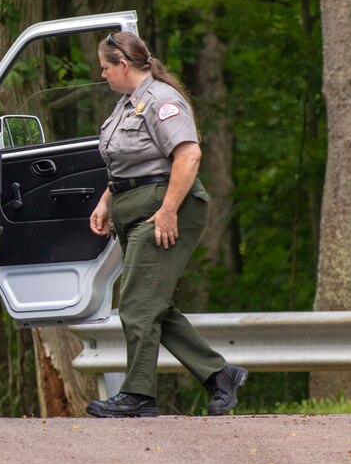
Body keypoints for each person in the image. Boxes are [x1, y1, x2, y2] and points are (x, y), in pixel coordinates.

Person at [85, 31, 247, 418]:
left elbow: (188, 155)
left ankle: (138, 395)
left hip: (163, 210)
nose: (103, 75)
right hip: (136, 207)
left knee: (138, 304)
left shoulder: (162, 100)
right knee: (151, 301)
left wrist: (170, 209)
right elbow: (130, 163)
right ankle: (220, 375)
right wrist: (107, 200)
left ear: (123, 65)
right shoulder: (126, 105)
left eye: (106, 68)